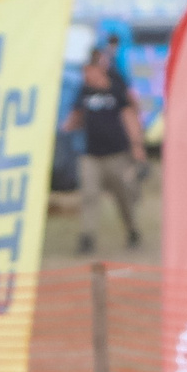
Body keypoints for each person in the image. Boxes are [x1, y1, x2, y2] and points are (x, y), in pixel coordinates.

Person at [63, 42, 145, 254]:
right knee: (89, 196)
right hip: (91, 155)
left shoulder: (116, 88)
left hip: (116, 154)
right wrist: (66, 127)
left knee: (124, 197)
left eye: (89, 72)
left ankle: (133, 230)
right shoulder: (84, 91)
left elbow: (129, 117)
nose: (86, 76)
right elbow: (77, 117)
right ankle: (87, 238)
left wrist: (137, 147)